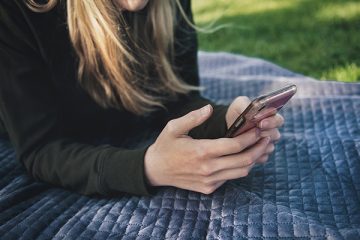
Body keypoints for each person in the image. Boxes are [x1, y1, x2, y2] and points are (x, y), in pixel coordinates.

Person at [0, 0, 283, 196]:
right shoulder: (15, 13)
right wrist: (148, 168)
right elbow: (42, 149)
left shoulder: (170, 7)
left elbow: (176, 99)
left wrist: (225, 119)